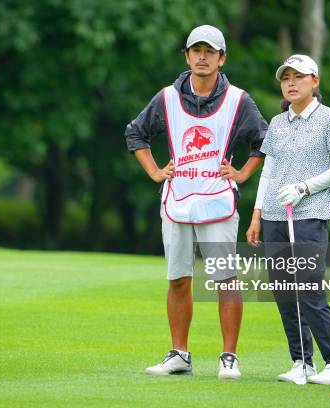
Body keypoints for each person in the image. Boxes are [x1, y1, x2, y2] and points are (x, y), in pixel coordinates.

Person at [125, 25, 267, 379]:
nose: (202, 57)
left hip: (218, 201)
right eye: (196, 50)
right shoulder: (166, 98)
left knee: (226, 279)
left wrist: (243, 174)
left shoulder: (238, 99)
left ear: (222, 58)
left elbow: (264, 141)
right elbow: (135, 133)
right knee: (178, 279)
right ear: (187, 56)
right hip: (177, 198)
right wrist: (156, 172)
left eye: (210, 51)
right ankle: (180, 354)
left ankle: (228, 357)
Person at [246, 54, 330, 385]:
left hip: (309, 215)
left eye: (299, 76)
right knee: (283, 290)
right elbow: (269, 171)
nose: (291, 83)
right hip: (277, 216)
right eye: (286, 77)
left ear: (315, 82)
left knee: (308, 288)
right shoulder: (278, 123)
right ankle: (302, 361)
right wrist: (257, 215)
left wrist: (305, 187)